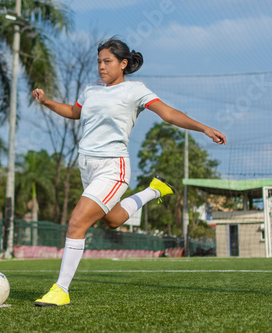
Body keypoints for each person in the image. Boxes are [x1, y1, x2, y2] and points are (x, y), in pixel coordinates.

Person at [32, 37, 226, 307]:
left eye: (107, 61)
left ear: (123, 64)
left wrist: (203, 128)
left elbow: (168, 114)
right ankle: (153, 190)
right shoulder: (90, 90)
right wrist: (47, 102)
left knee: (77, 221)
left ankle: (61, 290)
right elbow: (75, 113)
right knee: (111, 220)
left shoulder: (135, 91)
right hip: (86, 165)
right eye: (99, 61)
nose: (101, 66)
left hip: (113, 168)